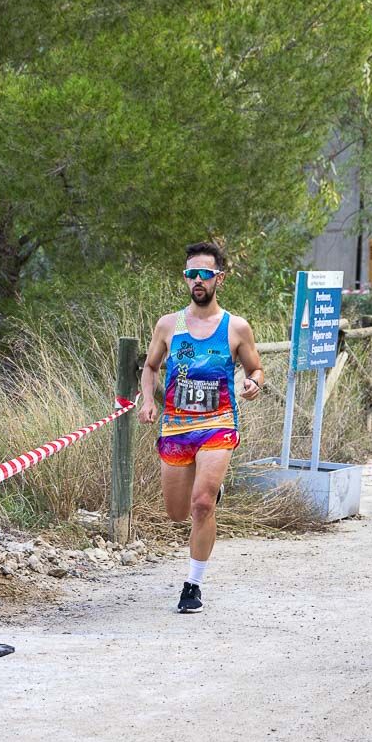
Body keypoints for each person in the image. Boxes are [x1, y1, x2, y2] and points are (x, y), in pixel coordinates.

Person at [138, 242, 264, 614]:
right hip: (176, 427)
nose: (197, 280)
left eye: (205, 274)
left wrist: (253, 383)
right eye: (191, 273)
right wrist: (147, 400)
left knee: (201, 505)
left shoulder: (236, 327)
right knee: (177, 512)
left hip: (218, 424)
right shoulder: (168, 324)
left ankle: (192, 584)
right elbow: (150, 367)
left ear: (218, 279)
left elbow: (255, 368)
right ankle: (211, 490)